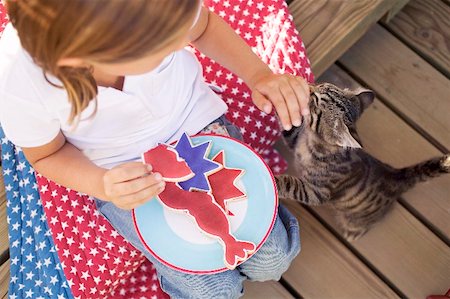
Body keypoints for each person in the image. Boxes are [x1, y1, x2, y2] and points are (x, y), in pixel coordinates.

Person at [0, 0, 309, 297]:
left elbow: (202, 28)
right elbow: (45, 154)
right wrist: (102, 185)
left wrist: (259, 75)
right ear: (78, 58)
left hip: (194, 121)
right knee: (213, 292)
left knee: (274, 259)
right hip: (121, 168)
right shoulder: (19, 77)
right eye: (164, 44)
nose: (181, 44)